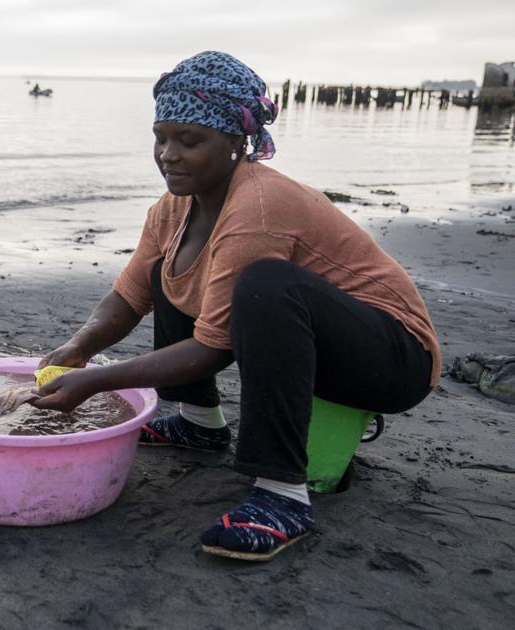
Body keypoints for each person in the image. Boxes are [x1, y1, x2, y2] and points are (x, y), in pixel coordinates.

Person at [33, 51, 439, 561]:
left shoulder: (259, 208)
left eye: (190, 140)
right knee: (172, 268)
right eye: (161, 136)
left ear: (235, 143)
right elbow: (130, 294)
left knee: (266, 285)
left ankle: (283, 495)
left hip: (393, 358)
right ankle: (199, 422)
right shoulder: (174, 207)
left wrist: (94, 382)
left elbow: (212, 349)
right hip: (318, 341)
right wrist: (78, 348)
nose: (168, 154)